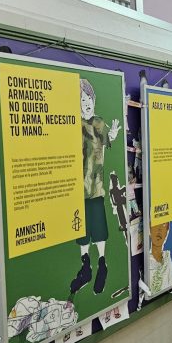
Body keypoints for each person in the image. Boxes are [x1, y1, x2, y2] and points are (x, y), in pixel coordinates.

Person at [69, 79, 122, 298]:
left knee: (98, 225)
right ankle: (85, 265)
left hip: (97, 185)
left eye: (89, 98)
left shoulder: (99, 122)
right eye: (82, 99)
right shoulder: (75, 124)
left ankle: (101, 262)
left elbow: (105, 142)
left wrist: (112, 135)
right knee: (83, 227)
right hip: (79, 187)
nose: (86, 102)